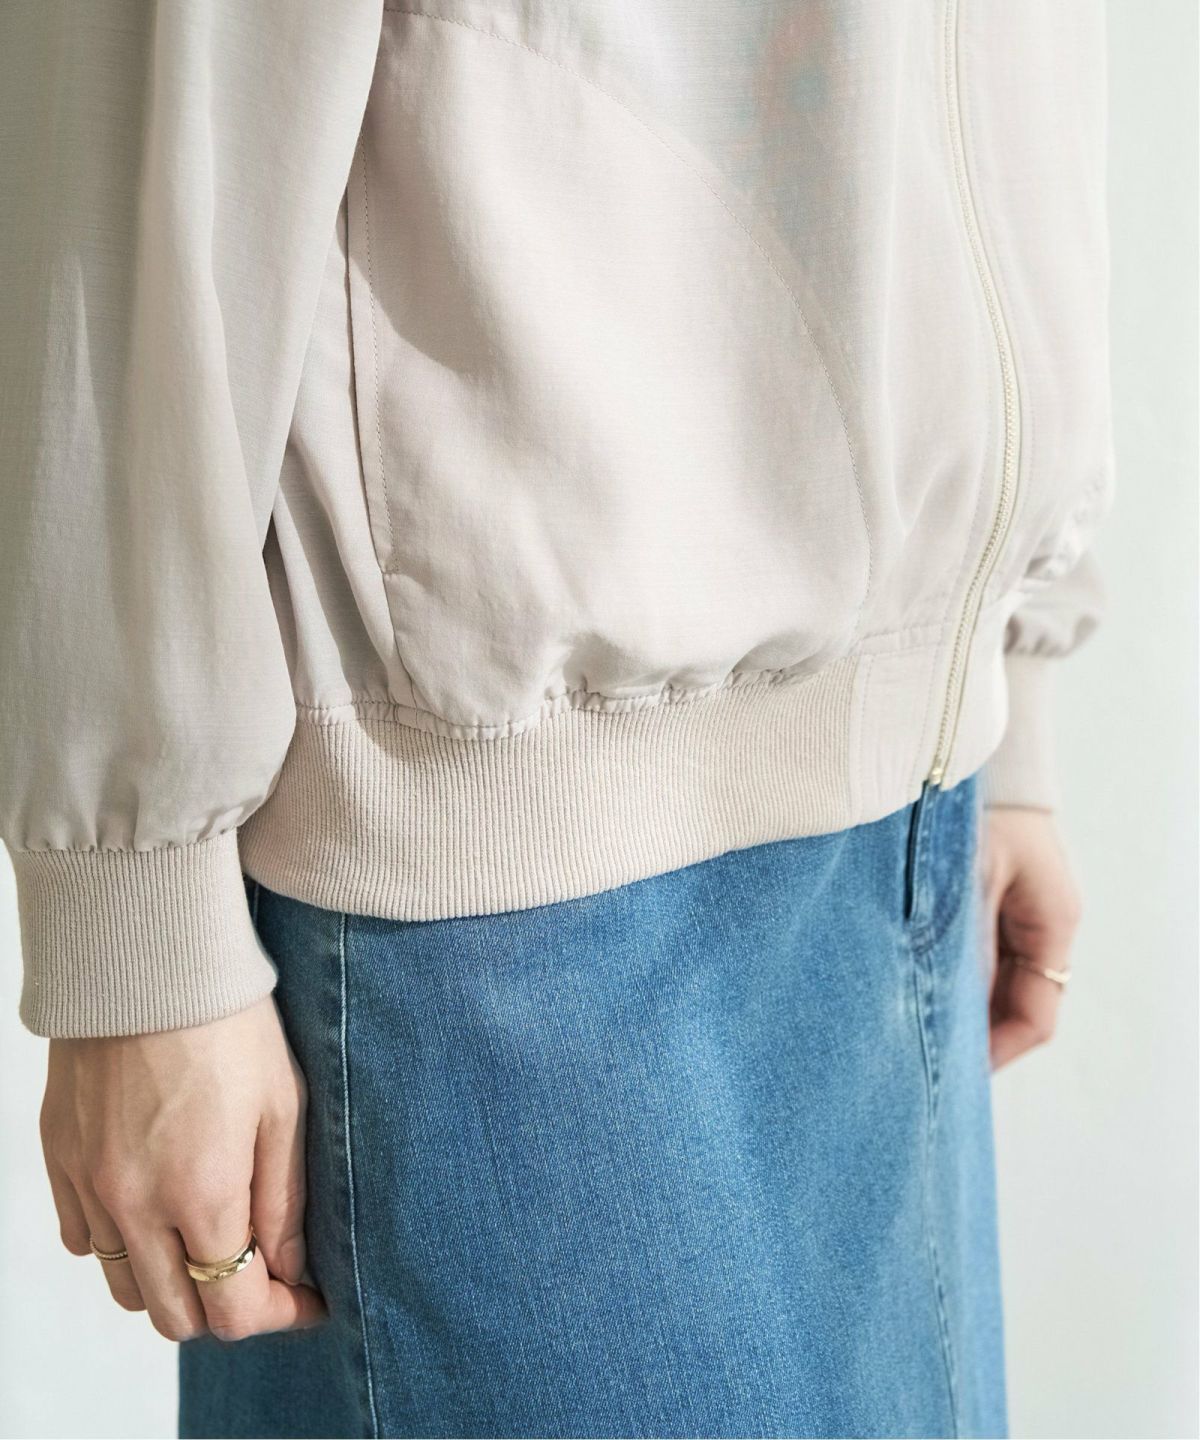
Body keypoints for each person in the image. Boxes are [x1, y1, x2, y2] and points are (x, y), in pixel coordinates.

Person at [0, 2, 1114, 1437]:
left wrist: (1000, 681)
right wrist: (133, 912)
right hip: (502, 907)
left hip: (909, 820)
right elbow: (133, 68)